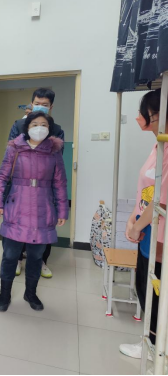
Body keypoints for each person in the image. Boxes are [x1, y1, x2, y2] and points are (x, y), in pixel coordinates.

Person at [0, 112, 68, 312]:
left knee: (36, 257)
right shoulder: (15, 148)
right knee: (10, 256)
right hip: (16, 208)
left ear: (49, 129)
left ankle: (30, 293)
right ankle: (4, 294)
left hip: (43, 211)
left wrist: (62, 211)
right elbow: (2, 177)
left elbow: (60, 183)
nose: (39, 128)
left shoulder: (54, 152)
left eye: (44, 124)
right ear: (27, 127)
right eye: (35, 124)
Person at [120, 89, 167, 362]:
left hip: (160, 232)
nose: (142, 117)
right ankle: (152, 341)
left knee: (155, 290)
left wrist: (138, 226)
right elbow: (146, 190)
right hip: (148, 227)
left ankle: (155, 347)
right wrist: (132, 219)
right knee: (145, 285)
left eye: (147, 112)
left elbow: (163, 198)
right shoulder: (158, 145)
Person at [9, 88, 65, 280]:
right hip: (21, 183)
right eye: (37, 103)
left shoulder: (56, 129)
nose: (40, 107)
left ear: (51, 107)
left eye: (45, 104)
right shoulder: (18, 125)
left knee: (44, 225)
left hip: (44, 185)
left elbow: (57, 157)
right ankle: (17, 258)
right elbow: (11, 152)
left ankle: (41, 261)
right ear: (31, 104)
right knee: (19, 222)